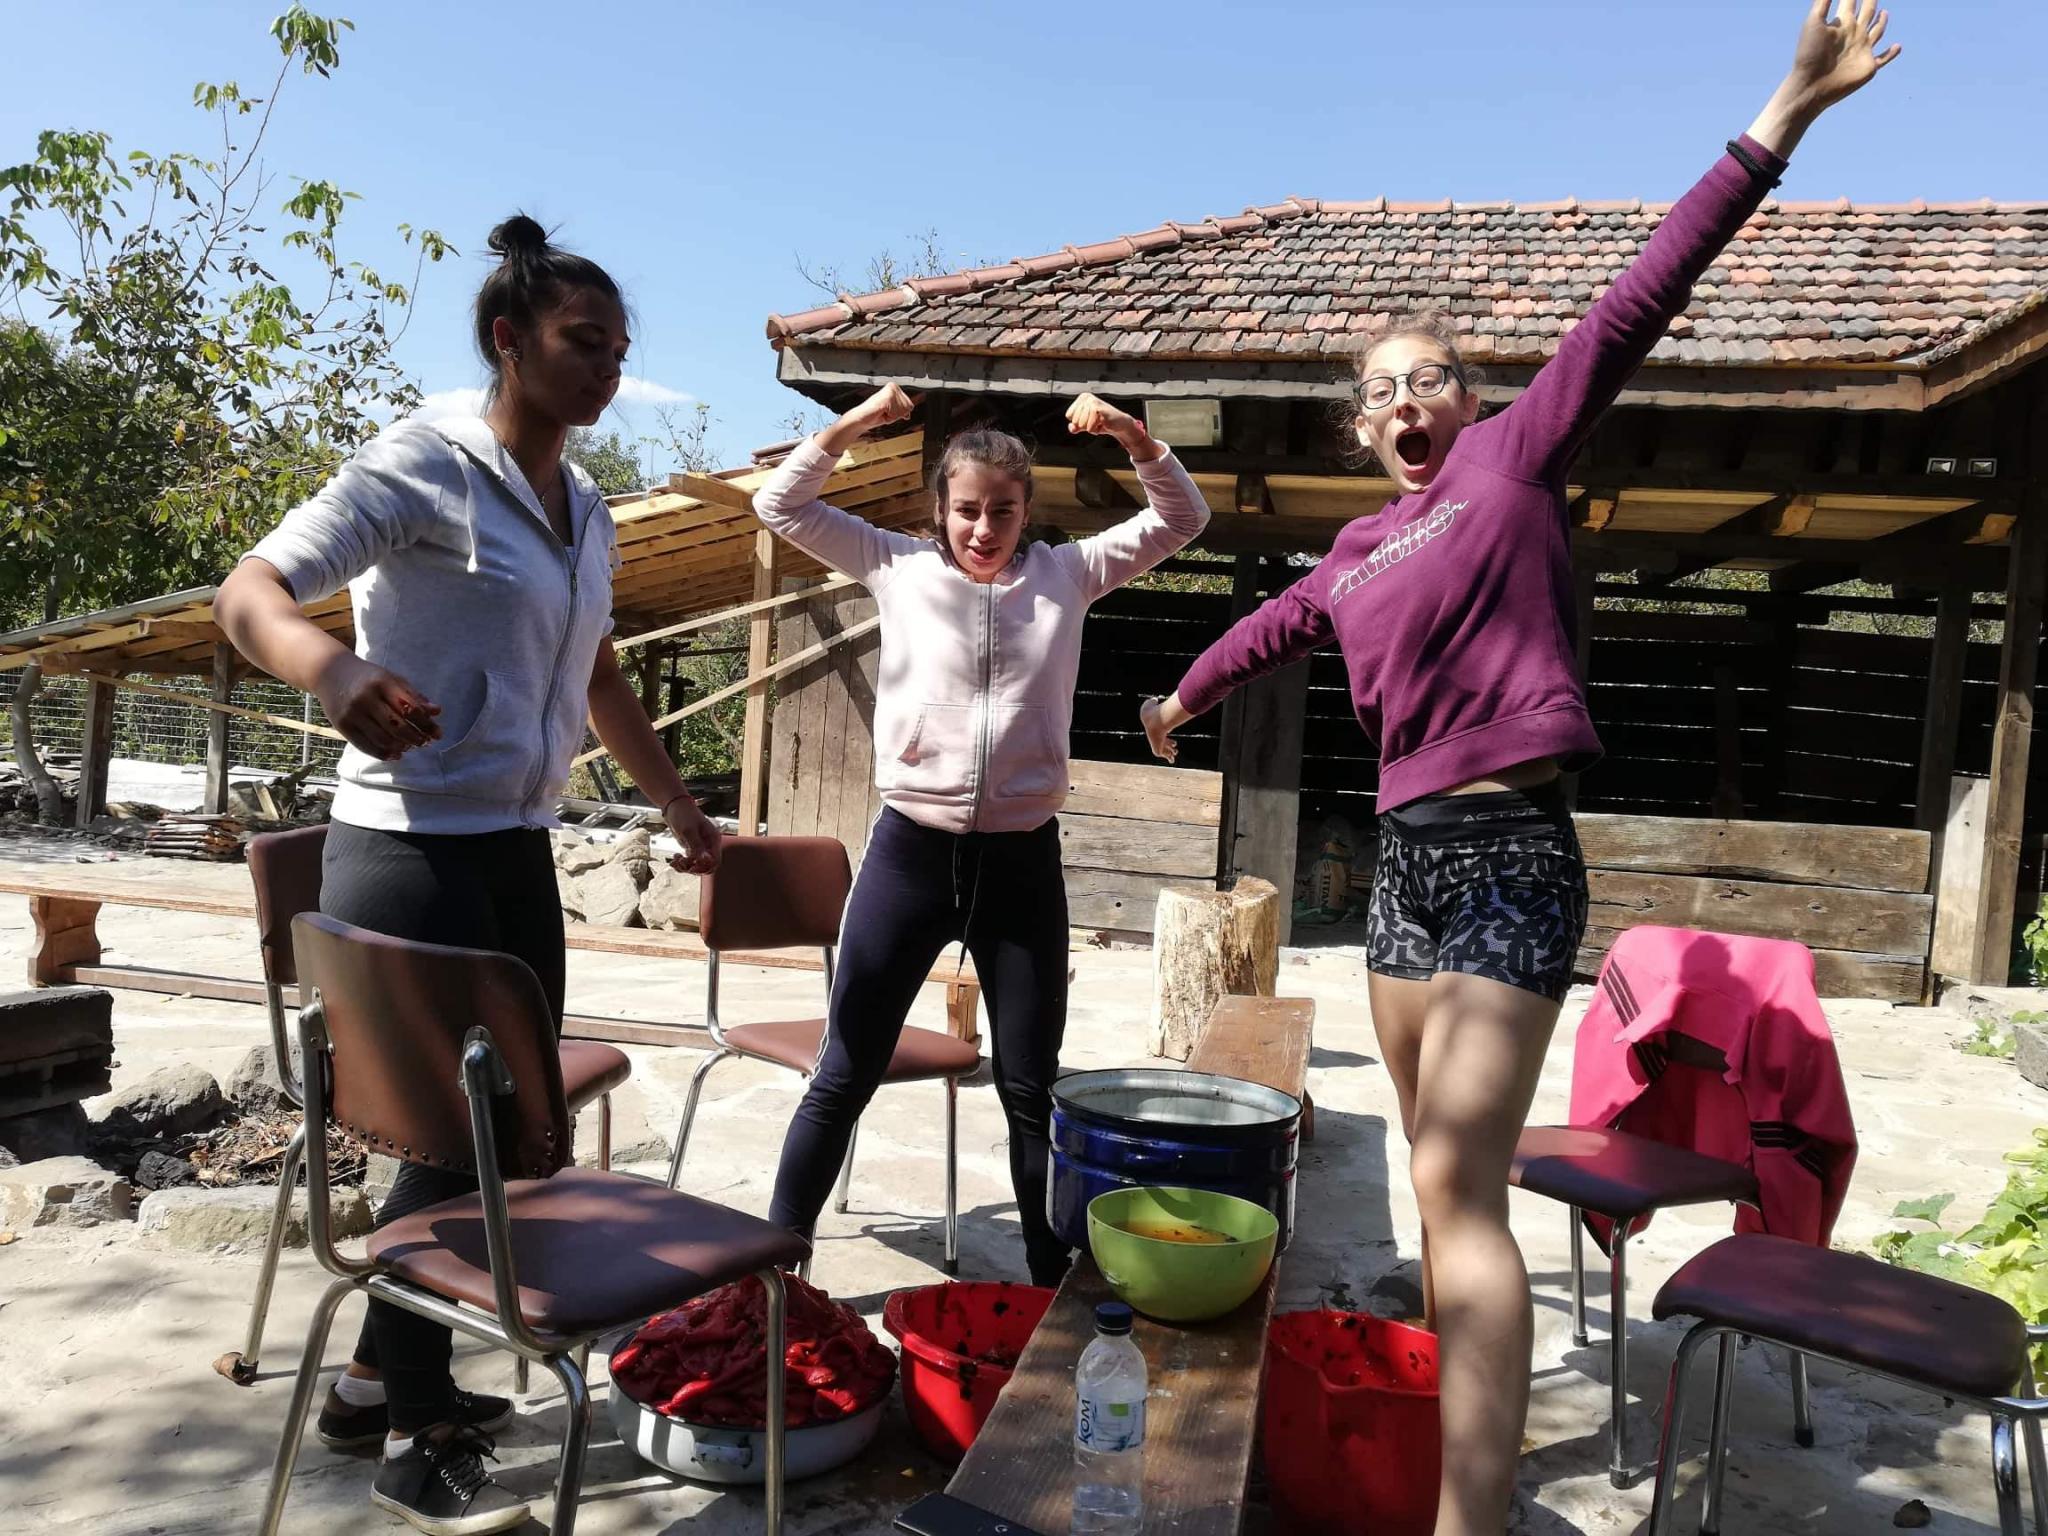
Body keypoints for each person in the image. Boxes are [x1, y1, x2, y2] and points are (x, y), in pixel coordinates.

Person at [1137, 5, 1900, 1528]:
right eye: (1381, 391)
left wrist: (1785, 112)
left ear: (1467, 400)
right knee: (1434, 1182)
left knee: (1456, 1182)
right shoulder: (1353, 550)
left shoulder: (1513, 462)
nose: (1405, 402)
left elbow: (1638, 297)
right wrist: (1176, 700)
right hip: (1405, 878)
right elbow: (1266, 629)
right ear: (1363, 429)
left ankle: (1466, 1522)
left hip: (1511, 857)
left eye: (1428, 378)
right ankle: (1440, 1415)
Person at [216, 214, 722, 1536]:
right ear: (509, 338)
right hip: (405, 852)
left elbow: (597, 670)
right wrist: (331, 669)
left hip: (512, 849)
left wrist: (675, 802)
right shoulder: (425, 466)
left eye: (619, 348)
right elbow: (248, 591)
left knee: (506, 1135)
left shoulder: (587, 510)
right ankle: (415, 1429)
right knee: (458, 1142)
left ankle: (368, 1383)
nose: (607, 368)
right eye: (583, 342)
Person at [752, 383, 1211, 1284]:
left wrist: (1131, 434)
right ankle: (771, 1274)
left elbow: (1182, 519)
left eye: (1002, 510)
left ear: (1026, 511)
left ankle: (1047, 1285)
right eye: (966, 509)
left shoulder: (1070, 574)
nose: (983, 528)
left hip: (1021, 865)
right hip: (909, 855)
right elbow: (781, 505)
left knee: (1030, 1089)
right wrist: (854, 426)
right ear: (941, 509)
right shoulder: (894, 565)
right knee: (845, 1071)